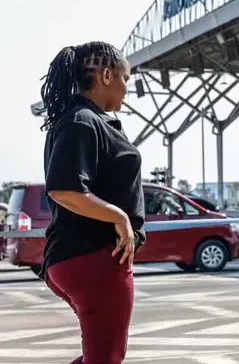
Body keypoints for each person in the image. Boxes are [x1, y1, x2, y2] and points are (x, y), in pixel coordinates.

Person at [38, 42, 145, 364]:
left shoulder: (88, 120)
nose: (128, 88)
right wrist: (120, 218)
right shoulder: (81, 121)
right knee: (106, 359)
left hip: (85, 257)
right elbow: (64, 190)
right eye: (125, 78)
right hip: (94, 257)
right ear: (107, 75)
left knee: (101, 357)